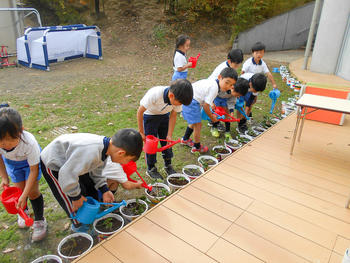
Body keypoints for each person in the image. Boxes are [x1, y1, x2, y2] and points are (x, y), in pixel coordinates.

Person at [40, 128, 143, 232]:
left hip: (73, 163)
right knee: (70, 199)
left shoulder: (106, 149)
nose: (125, 163)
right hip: (55, 163)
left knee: (88, 190)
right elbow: (67, 174)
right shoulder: (90, 152)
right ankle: (79, 226)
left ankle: (89, 215)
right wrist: (75, 197)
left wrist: (104, 189)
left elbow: (97, 170)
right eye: (128, 160)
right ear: (121, 153)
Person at [0, 107, 47, 241]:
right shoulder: (2, 144)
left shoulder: (29, 143)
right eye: (1, 141)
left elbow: (33, 170)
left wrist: (25, 195)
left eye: (9, 139)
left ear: (20, 131)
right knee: (19, 190)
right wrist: (4, 176)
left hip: (30, 165)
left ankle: (39, 220)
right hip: (12, 164)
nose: (5, 144)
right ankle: (23, 212)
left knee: (31, 192)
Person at [137, 79, 193, 179]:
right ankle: (151, 168)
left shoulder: (177, 99)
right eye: (178, 103)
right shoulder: (155, 94)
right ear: (171, 95)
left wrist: (169, 134)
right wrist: (141, 132)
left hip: (164, 117)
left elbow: (173, 115)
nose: (179, 105)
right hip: (150, 117)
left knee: (167, 142)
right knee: (151, 144)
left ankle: (168, 165)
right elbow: (140, 112)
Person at [181, 67, 238, 153]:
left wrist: (211, 103)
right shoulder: (214, 88)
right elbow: (205, 106)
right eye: (227, 82)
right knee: (198, 125)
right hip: (192, 101)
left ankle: (185, 139)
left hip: (191, 98)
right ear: (219, 77)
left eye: (231, 85)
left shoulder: (214, 83)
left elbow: (206, 97)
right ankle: (197, 147)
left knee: (194, 122)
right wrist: (213, 119)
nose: (228, 87)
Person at [208, 49, 245, 140]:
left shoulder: (231, 72)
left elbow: (231, 98)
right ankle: (214, 125)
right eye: (236, 65)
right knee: (216, 112)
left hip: (223, 96)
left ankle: (226, 129)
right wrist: (211, 101)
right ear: (229, 61)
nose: (237, 67)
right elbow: (213, 86)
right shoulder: (222, 70)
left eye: (238, 65)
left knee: (225, 112)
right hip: (214, 92)